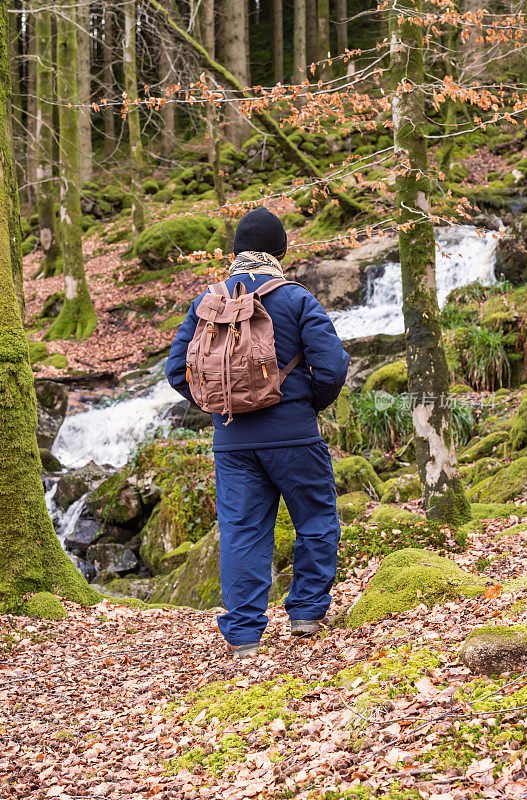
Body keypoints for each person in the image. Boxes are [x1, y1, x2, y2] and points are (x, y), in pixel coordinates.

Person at [166, 206, 349, 658]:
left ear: (235, 252)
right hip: (295, 438)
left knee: (241, 532)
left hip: (232, 442)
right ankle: (307, 612)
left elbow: (176, 372)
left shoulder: (207, 302)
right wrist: (304, 406)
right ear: (280, 251)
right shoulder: (295, 298)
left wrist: (221, 405)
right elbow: (332, 366)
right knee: (316, 520)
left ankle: (244, 635)